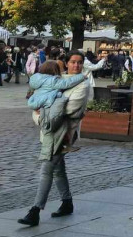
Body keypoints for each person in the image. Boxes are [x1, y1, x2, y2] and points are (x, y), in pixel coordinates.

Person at [17, 59, 88, 226]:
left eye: (79, 63)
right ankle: (67, 202)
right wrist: (42, 116)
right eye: (72, 62)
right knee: (58, 170)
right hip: (49, 131)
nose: (75, 66)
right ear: (66, 64)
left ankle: (35, 211)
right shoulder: (59, 81)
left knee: (46, 170)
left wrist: (42, 113)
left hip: (63, 133)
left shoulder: (80, 85)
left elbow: (70, 110)